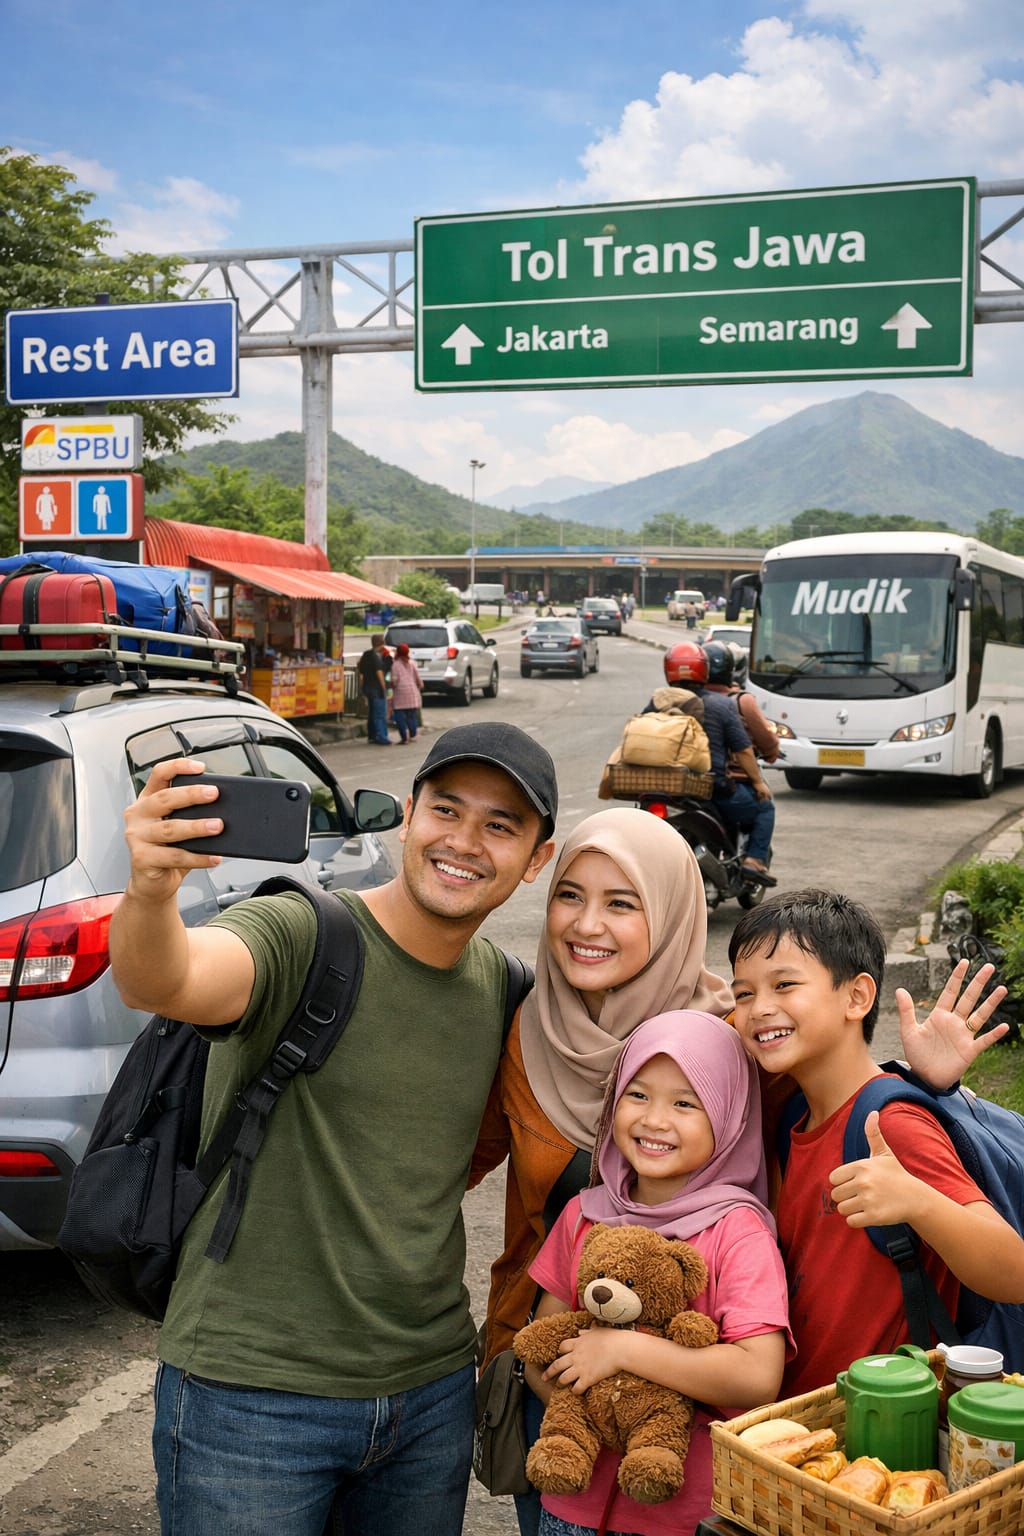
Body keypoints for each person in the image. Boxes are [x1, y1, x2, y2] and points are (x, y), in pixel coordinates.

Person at [107, 722, 558, 1536]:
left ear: (536, 860)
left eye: (501, 826)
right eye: (447, 810)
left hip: (429, 1397)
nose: (464, 842)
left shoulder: (503, 991)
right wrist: (148, 892)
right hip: (251, 1401)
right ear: (409, 812)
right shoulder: (303, 934)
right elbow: (166, 979)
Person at [471, 809, 735, 1534]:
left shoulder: (727, 1046)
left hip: (694, 1403)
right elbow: (441, 1167)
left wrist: (927, 1090)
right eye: (570, 895)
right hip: (551, 1380)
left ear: (673, 913)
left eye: (622, 903)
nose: (587, 925)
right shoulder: (526, 1033)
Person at [729, 888, 1024, 1399]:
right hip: (808, 1420)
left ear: (858, 997)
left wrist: (917, 1200)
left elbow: (1014, 1272)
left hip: (884, 1428)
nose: (760, 1009)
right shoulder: (792, 1114)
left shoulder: (890, 1125)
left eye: (785, 985)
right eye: (744, 993)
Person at [527, 1011, 791, 1536]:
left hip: (689, 1511)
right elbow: (537, 1347)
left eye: (686, 1103)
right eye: (638, 1094)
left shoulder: (738, 1233)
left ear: (729, 1115)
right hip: (572, 1507)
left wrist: (626, 1352)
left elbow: (759, 1376)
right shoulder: (584, 1215)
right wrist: (592, 1411)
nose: (654, 1120)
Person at [661, 641, 776, 884]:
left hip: (665, 787)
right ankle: (754, 860)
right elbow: (744, 750)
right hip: (712, 791)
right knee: (765, 807)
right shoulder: (724, 704)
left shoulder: (661, 701)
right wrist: (758, 782)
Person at [700, 640, 779, 786]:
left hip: (689, 780)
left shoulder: (686, 697)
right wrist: (758, 781)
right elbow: (750, 748)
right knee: (764, 807)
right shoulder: (742, 701)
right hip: (730, 781)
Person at [358, 631, 391, 745]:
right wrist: (383, 688)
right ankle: (381, 736)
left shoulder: (366, 654)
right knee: (379, 714)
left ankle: (371, 735)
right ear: (382, 643)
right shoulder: (375, 657)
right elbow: (379, 673)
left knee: (372, 713)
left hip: (367, 687)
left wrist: (362, 687)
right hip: (377, 689)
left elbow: (361, 673)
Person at [389, 641, 422, 743]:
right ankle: (413, 735)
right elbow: (418, 679)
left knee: (400, 716)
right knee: (411, 716)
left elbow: (394, 681)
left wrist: (391, 686)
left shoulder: (396, 665)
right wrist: (419, 686)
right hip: (412, 693)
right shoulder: (412, 663)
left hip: (401, 694)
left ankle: (404, 738)